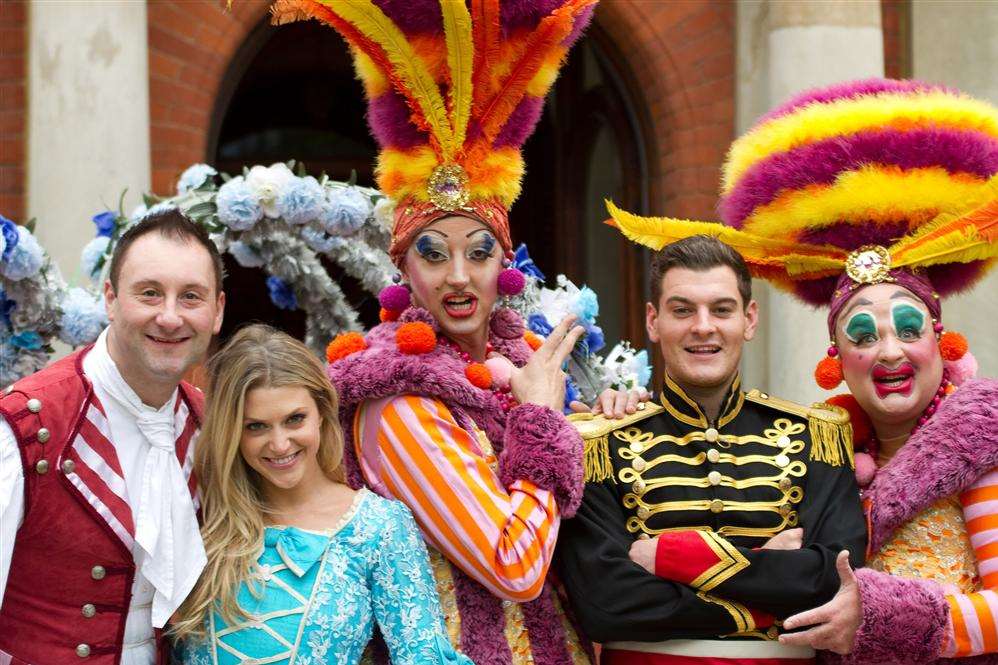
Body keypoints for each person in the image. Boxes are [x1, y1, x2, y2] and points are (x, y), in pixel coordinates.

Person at [602, 78, 998, 664]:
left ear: (941, 340)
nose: (889, 350)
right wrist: (766, 560)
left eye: (909, 329)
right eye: (863, 335)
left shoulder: (982, 446)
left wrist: (884, 615)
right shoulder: (828, 450)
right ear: (835, 356)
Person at [272, 0, 601, 662]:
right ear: (403, 267)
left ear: (505, 265)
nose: (459, 275)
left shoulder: (519, 363)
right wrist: (541, 420)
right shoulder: (398, 399)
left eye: (478, 251)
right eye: (433, 252)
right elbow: (513, 563)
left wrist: (601, 416)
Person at [556, 233, 867, 664]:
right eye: (682, 310)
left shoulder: (818, 436)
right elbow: (606, 602)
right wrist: (767, 597)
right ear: (653, 320)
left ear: (749, 319)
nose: (703, 326)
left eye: (721, 310)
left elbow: (834, 578)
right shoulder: (598, 443)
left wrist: (672, 556)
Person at [169, 324, 472, 664]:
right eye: (256, 426)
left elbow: (424, 658)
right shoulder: (202, 513)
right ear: (232, 431)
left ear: (322, 414)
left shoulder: (380, 527)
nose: (280, 444)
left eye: (295, 419)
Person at [0, 209, 225, 664]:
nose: (169, 317)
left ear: (217, 311)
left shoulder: (209, 423)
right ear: (110, 298)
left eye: (191, 297)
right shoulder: (25, 424)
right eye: (149, 293)